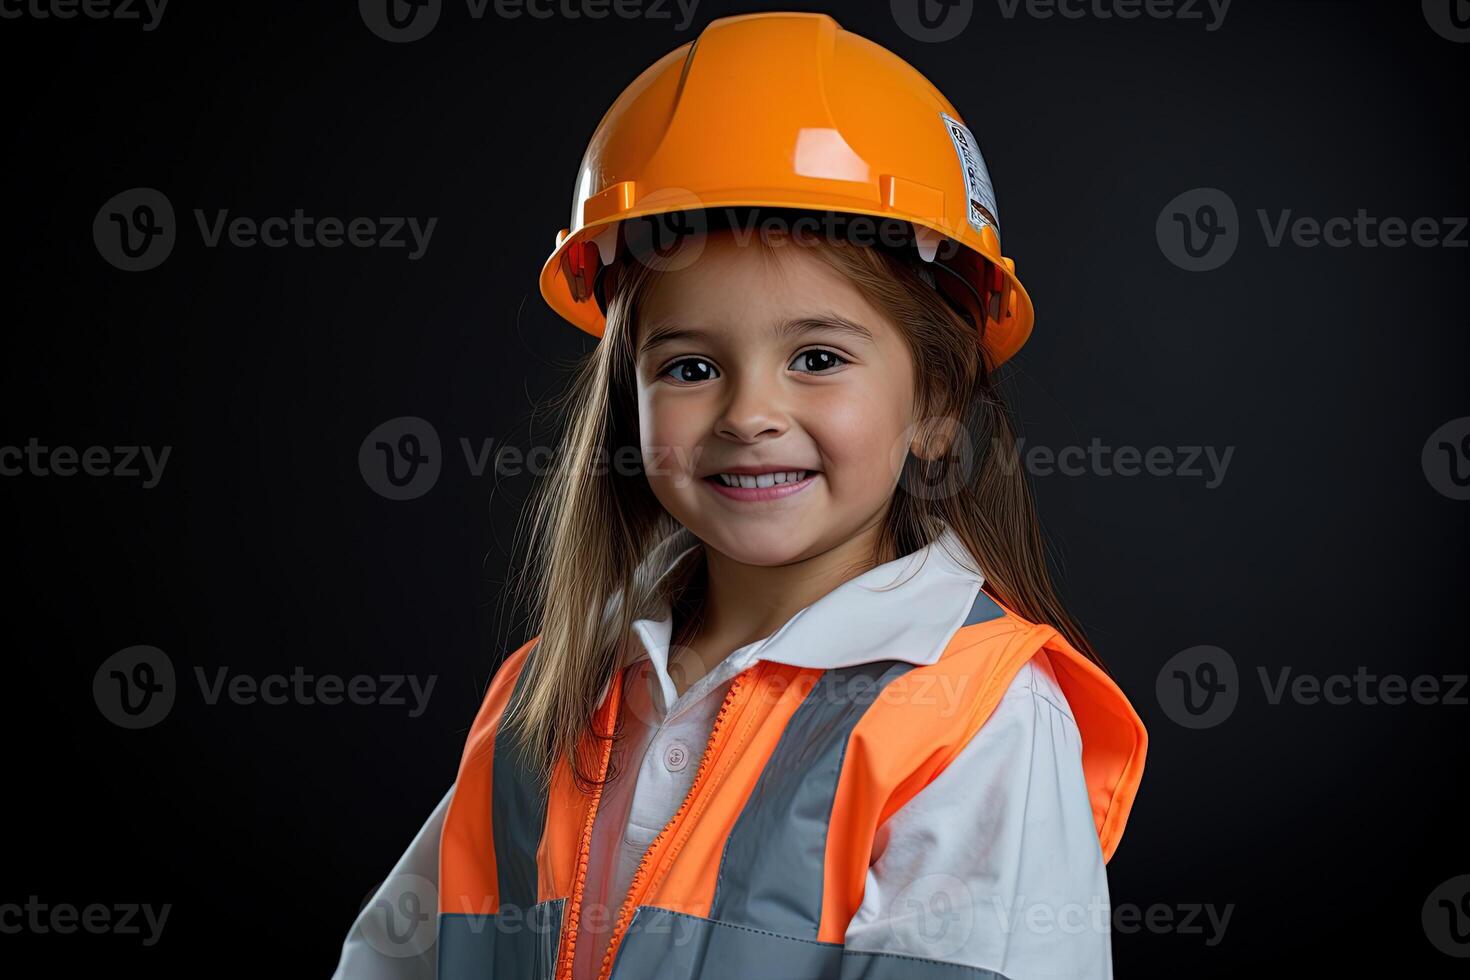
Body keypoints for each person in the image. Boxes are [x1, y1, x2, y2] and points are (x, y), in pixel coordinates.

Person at [333, 11, 1147, 980]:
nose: (749, 412)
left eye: (817, 357)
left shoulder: (977, 715)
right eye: (688, 367)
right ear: (623, 398)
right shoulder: (544, 697)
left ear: (934, 403)